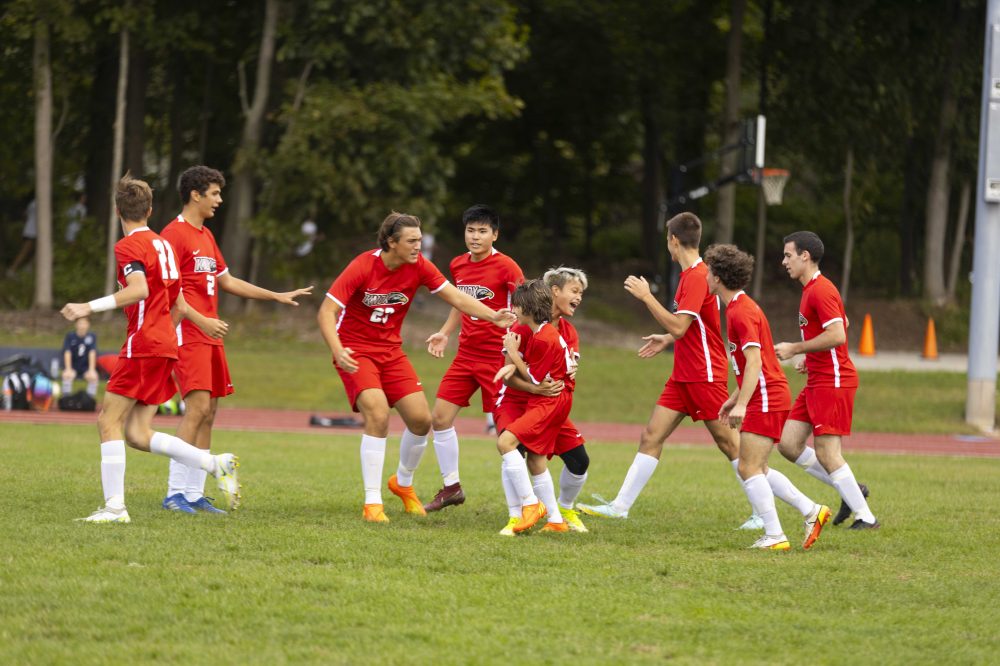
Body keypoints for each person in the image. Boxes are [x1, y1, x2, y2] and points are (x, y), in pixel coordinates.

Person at [59, 174, 240, 523]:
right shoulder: (164, 245)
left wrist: (87, 307)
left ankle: (115, 509)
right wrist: (164, 336)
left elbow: (139, 289)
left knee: (107, 421)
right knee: (138, 435)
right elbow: (177, 301)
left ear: (117, 211)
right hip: (166, 345)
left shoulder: (127, 246)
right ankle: (213, 463)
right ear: (151, 209)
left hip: (143, 344)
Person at [317, 211, 516, 523]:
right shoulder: (362, 265)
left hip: (391, 352)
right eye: (411, 241)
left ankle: (402, 483)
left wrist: (493, 316)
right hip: (355, 351)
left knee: (422, 421)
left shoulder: (420, 265)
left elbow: (457, 298)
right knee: (378, 414)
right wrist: (338, 349)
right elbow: (326, 312)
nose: (418, 246)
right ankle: (372, 503)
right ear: (391, 242)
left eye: (420, 240)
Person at [157, 165, 313, 514]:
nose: (219, 199)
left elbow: (227, 281)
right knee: (195, 409)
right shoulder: (173, 235)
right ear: (195, 194)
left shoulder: (206, 236)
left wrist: (275, 295)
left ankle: (194, 494)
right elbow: (170, 293)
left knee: (209, 412)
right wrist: (202, 321)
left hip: (209, 335)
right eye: (214, 193)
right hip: (188, 334)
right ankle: (175, 492)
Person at [577, 212, 751, 523]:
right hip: (684, 374)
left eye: (666, 241)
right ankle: (620, 507)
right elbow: (690, 327)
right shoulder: (691, 276)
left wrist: (647, 298)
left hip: (704, 374)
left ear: (673, 240)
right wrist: (666, 339)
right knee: (651, 436)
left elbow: (682, 326)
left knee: (730, 443)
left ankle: (763, 513)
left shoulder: (698, 276)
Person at [704, 244, 832, 550]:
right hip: (766, 392)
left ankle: (775, 536)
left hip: (766, 396)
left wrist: (744, 403)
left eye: (709, 271)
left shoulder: (741, 311)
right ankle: (812, 511)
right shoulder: (739, 307)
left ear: (719, 277)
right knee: (757, 468)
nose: (706, 275)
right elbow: (750, 362)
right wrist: (734, 397)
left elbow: (756, 362)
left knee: (749, 468)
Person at [773, 231, 879, 529]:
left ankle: (866, 518)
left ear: (805, 256)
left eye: (788, 255)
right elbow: (840, 322)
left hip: (833, 381)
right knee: (788, 444)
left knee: (828, 453)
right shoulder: (811, 290)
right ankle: (851, 489)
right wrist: (811, 356)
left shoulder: (820, 290)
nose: (784, 262)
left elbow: (838, 334)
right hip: (818, 380)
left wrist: (796, 348)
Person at [423, 205, 524, 512]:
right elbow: (461, 302)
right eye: (470, 230)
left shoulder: (507, 266)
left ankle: (527, 500)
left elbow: (525, 306)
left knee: (511, 432)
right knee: (439, 418)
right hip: (466, 356)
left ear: (495, 234)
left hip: (498, 358)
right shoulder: (458, 264)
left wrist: (515, 352)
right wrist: (445, 332)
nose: (475, 236)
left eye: (482, 231)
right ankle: (451, 487)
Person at [492, 267, 591, 534]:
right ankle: (549, 519)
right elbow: (524, 376)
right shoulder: (527, 329)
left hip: (550, 401)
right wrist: (512, 365)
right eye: (574, 290)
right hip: (528, 399)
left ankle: (534, 506)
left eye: (581, 292)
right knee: (531, 455)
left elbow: (540, 377)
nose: (578, 297)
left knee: (509, 443)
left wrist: (517, 360)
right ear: (553, 292)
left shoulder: (553, 334)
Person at [61, 316, 99, 398]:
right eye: (80, 323)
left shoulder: (92, 337)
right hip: (73, 366)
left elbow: (92, 353)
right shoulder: (70, 336)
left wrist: (91, 369)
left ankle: (90, 399)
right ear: (76, 325)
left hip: (85, 368)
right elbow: (67, 352)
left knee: (93, 376)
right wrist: (68, 368)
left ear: (88, 325)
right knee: (67, 375)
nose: (82, 326)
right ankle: (66, 398)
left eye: (84, 323)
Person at [7, 199, 37, 277]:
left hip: (30, 229)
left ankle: (28, 267)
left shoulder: (31, 203)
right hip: (33, 231)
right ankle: (12, 270)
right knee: (25, 251)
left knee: (35, 250)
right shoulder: (40, 202)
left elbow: (25, 215)